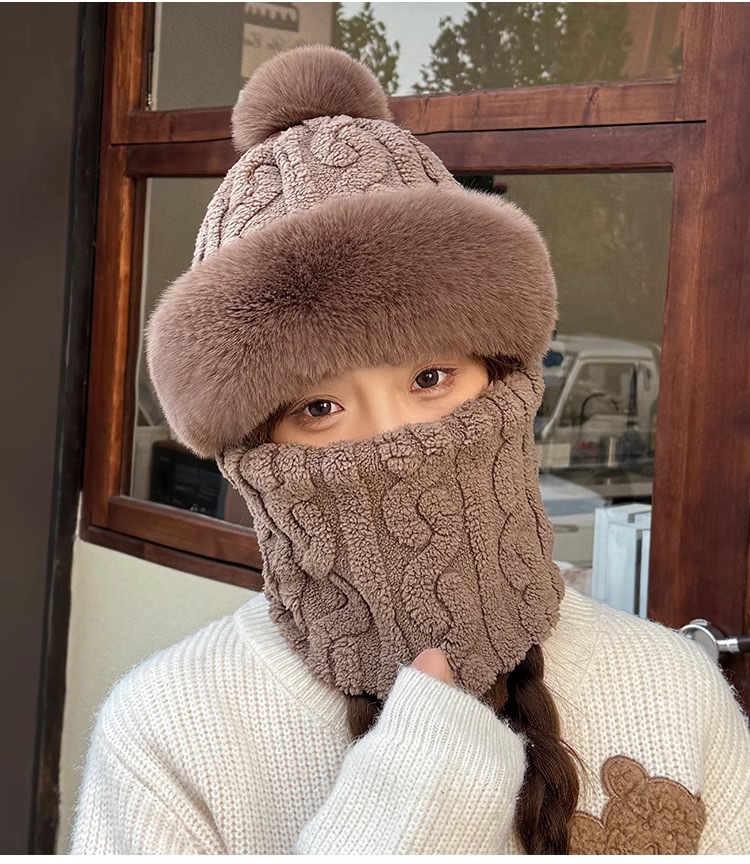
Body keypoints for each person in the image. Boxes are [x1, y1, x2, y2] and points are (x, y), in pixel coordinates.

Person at [71, 46, 750, 855]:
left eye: (430, 377)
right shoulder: (170, 735)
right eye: (318, 407)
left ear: (500, 376)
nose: (393, 439)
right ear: (255, 448)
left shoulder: (674, 688)